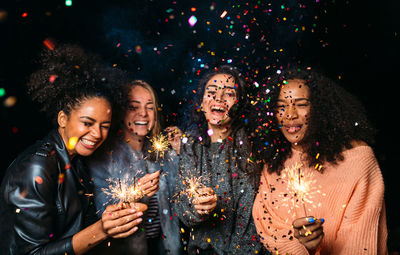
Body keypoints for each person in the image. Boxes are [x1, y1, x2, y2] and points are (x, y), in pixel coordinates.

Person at [0, 44, 147, 255]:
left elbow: (78, 229)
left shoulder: (77, 162)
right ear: (62, 118)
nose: (97, 134)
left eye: (104, 126)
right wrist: (101, 230)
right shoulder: (36, 169)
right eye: (87, 123)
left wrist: (118, 212)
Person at [252, 66, 388, 254]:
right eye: (281, 106)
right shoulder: (272, 167)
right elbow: (267, 228)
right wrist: (303, 245)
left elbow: (361, 240)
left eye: (301, 105)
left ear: (319, 109)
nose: (290, 114)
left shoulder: (358, 159)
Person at [173, 65, 267, 254]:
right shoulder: (190, 146)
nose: (218, 98)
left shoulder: (255, 146)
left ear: (239, 103)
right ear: (201, 103)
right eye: (211, 92)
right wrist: (197, 208)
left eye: (229, 94)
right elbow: (181, 204)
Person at [86, 79, 183, 254]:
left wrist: (179, 153)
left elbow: (180, 200)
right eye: (133, 107)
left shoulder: (161, 150)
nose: (143, 114)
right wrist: (135, 193)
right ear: (121, 111)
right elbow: (103, 214)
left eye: (150, 106)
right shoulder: (103, 155)